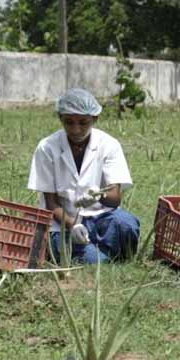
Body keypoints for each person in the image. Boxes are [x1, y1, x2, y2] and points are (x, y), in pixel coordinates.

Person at [27, 88, 140, 264]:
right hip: (63, 223)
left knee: (126, 224)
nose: (76, 129)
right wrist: (73, 225)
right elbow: (51, 203)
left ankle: (110, 254)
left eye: (83, 122)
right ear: (60, 119)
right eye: (69, 122)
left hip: (100, 217)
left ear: (95, 119)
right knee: (96, 261)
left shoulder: (109, 145)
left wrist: (99, 194)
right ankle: (97, 254)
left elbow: (115, 198)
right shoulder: (47, 148)